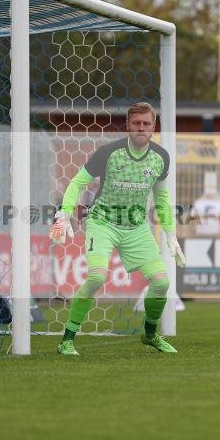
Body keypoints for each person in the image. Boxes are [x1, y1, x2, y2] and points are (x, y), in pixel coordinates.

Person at [49, 102, 185, 356]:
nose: (141, 128)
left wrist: (171, 233)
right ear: (128, 125)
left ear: (153, 127)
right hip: (103, 223)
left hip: (136, 228)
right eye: (136, 123)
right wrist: (64, 213)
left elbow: (162, 198)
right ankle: (66, 339)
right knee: (97, 278)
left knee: (161, 283)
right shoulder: (109, 153)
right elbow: (78, 182)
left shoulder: (161, 158)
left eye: (146, 124)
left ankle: (151, 335)